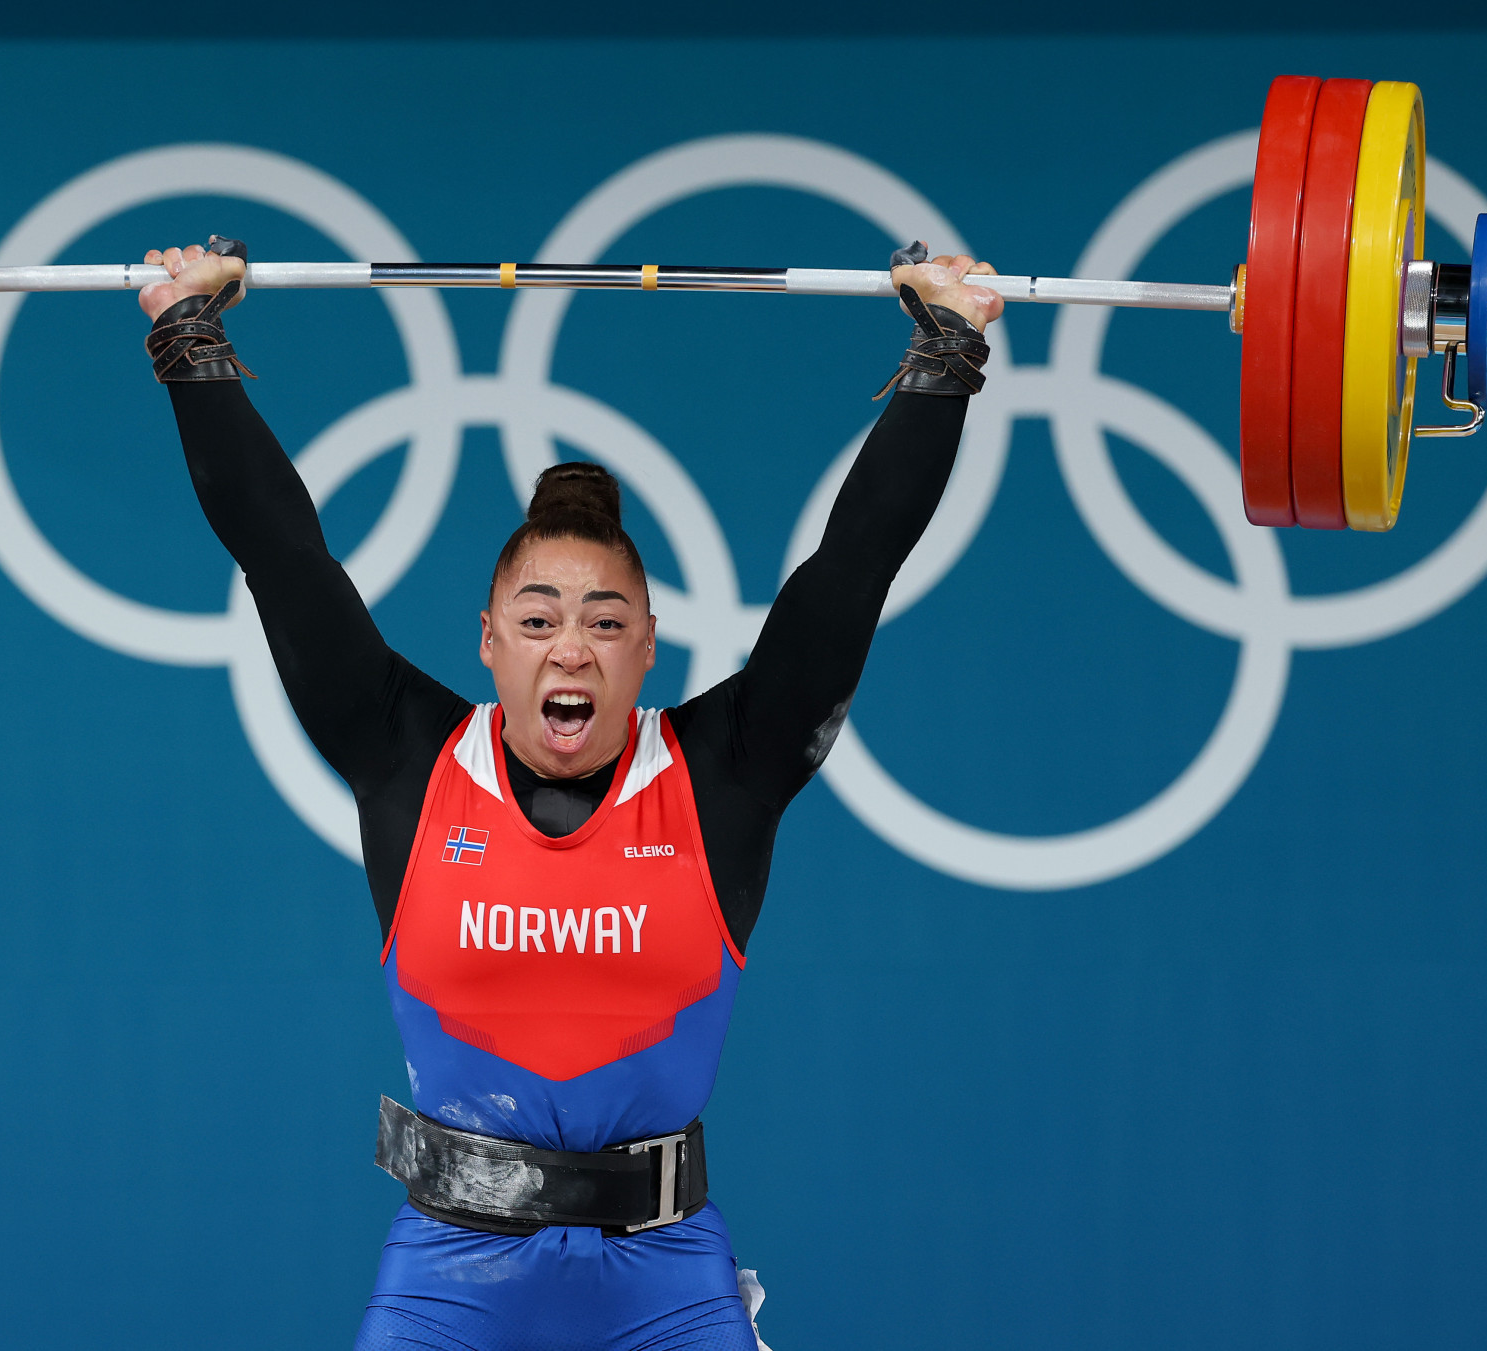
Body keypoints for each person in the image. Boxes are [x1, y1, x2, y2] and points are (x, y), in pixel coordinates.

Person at [138, 237, 1000, 1351]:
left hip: (666, 1282)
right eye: (537, 622)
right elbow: (282, 553)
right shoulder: (405, 756)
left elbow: (853, 565)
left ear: (649, 648)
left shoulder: (722, 771)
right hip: (449, 1277)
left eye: (603, 624)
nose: (570, 652)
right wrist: (187, 340)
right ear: (488, 644)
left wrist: (946, 350)